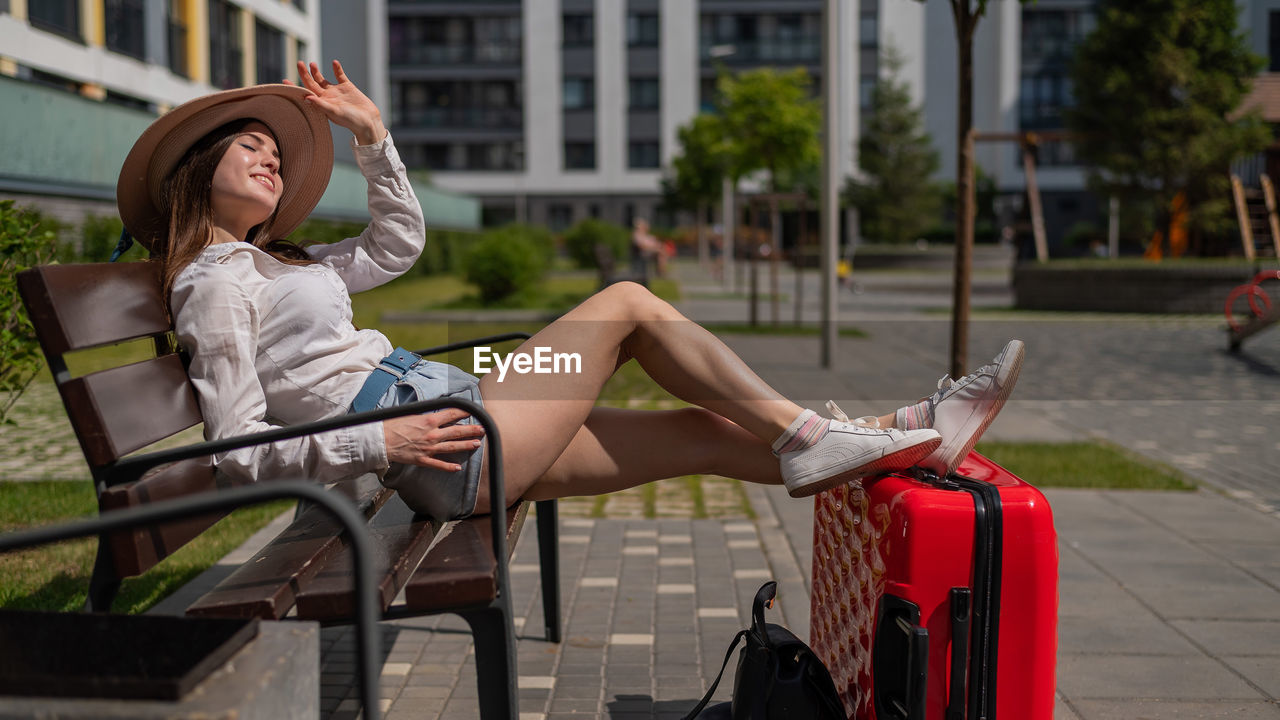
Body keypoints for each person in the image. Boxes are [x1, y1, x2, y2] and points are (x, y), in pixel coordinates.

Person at [112, 61, 1024, 522]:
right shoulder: (213, 283)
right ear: (198, 175)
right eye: (249, 149)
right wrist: (376, 436)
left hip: (464, 402)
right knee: (626, 301)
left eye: (275, 150)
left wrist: (372, 138)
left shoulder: (286, 266)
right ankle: (811, 434)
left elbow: (398, 242)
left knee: (705, 432)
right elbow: (235, 452)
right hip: (438, 445)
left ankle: (908, 442)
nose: (270, 157)